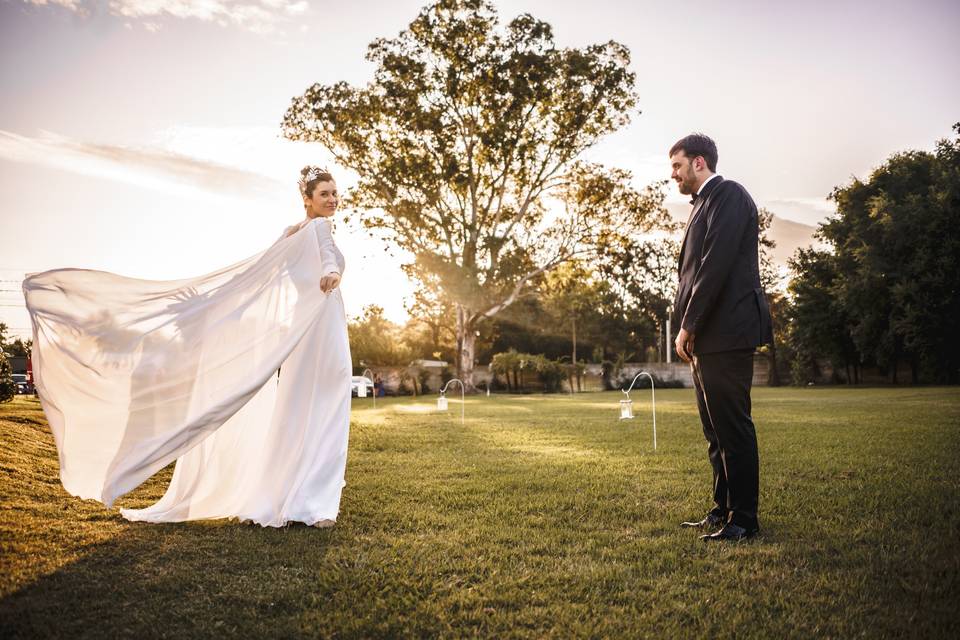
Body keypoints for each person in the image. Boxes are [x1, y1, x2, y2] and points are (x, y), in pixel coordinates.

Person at [23, 166, 351, 527]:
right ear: (307, 200)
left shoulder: (292, 234)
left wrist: (213, 301)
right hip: (321, 328)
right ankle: (314, 504)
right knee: (325, 409)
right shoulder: (318, 229)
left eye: (335, 193)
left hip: (304, 331)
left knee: (297, 411)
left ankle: (292, 497)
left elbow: (256, 274)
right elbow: (325, 259)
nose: (333, 200)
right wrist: (332, 273)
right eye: (325, 194)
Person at [669, 134, 773, 542]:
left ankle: (744, 519)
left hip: (727, 330)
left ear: (698, 163)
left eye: (677, 166)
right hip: (707, 336)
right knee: (714, 429)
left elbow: (714, 267)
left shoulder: (728, 195)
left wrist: (688, 324)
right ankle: (722, 510)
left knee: (732, 427)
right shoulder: (703, 206)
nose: (673, 175)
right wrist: (691, 329)